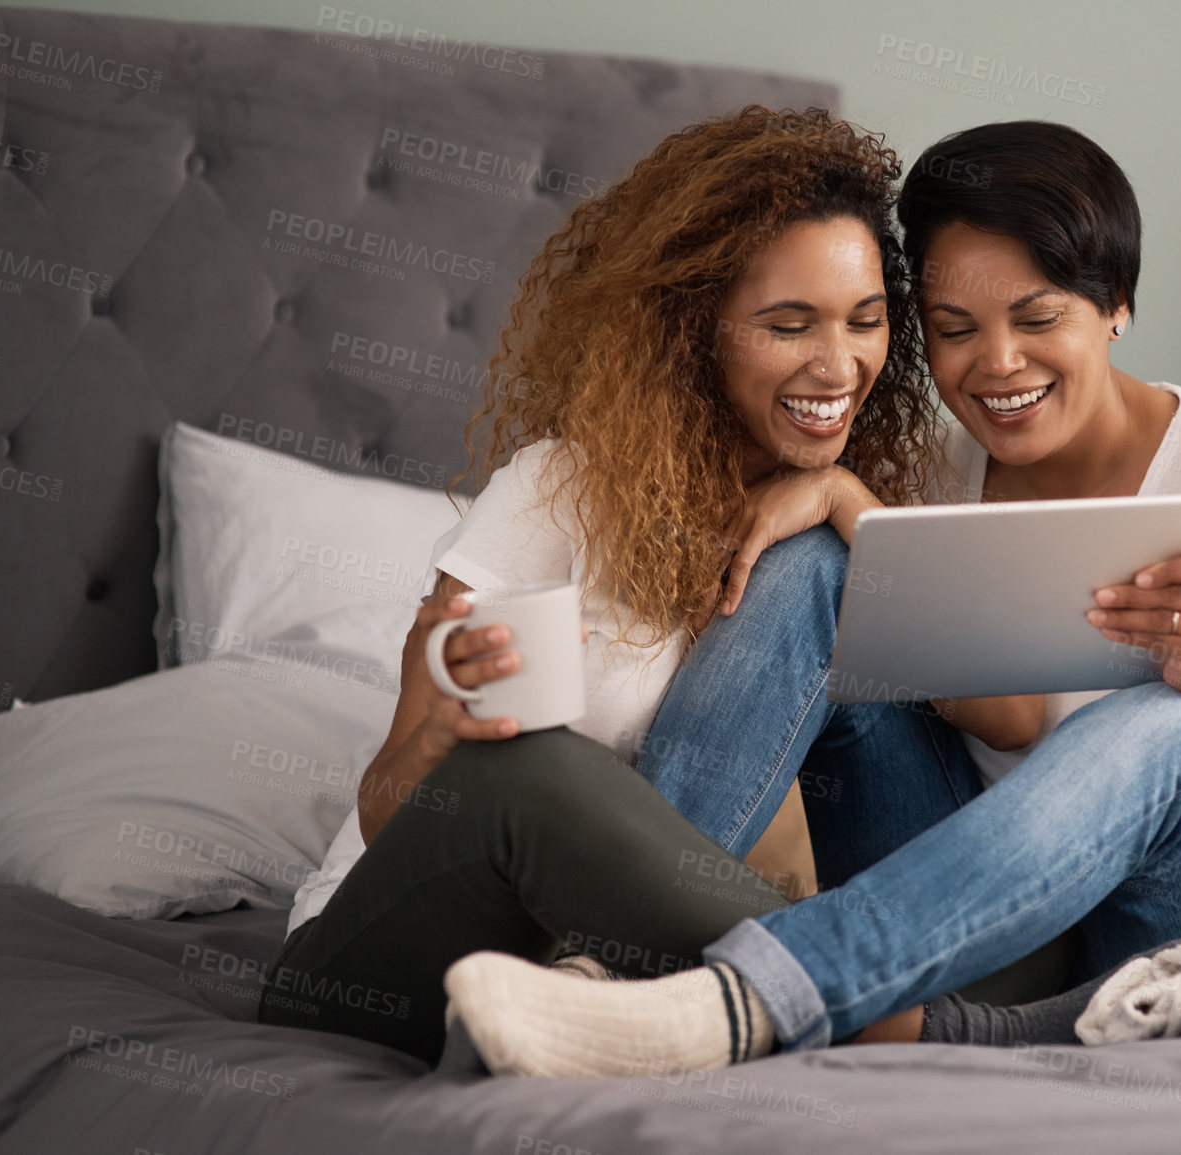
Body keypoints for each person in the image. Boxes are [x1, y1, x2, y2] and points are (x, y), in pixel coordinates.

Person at [443, 120, 1181, 1076]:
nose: (997, 366)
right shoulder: (924, 460)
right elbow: (1006, 714)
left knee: (1159, 724)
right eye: (955, 330)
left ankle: (741, 1004)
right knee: (814, 566)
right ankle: (606, 969)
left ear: (1115, 301)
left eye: (1037, 319)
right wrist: (852, 504)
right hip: (967, 922)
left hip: (1174, 929)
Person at [256, 105, 948, 1062]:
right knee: (533, 768)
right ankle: (893, 1006)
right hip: (376, 962)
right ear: (693, 331)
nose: (839, 366)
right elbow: (384, 807)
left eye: (866, 321)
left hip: (602, 977)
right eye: (788, 325)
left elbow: (982, 724)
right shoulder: (556, 490)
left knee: (828, 566)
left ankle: (651, 996)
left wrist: (842, 495)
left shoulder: (822, 545)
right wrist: (448, 735)